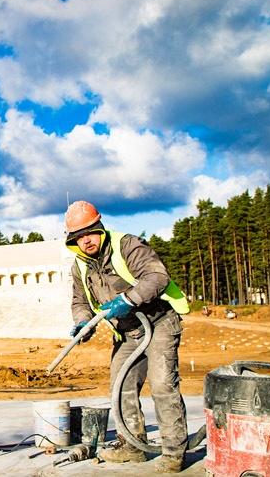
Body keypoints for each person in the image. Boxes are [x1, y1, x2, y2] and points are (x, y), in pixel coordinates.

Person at [64, 200, 189, 474]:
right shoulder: (80, 266)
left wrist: (129, 299)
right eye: (78, 237)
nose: (86, 240)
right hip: (128, 334)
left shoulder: (127, 245)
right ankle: (133, 446)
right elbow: (79, 301)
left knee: (163, 387)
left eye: (90, 232)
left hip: (158, 323)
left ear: (100, 227)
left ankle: (173, 454)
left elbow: (157, 277)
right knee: (121, 388)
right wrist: (83, 322)